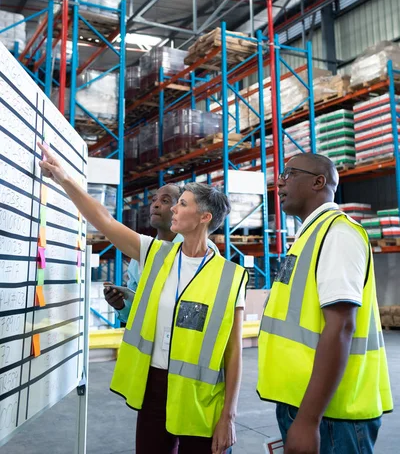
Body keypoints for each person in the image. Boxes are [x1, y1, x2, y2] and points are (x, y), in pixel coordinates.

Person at [38, 143, 247, 454]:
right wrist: (64, 177)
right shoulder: (155, 253)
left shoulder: (230, 276)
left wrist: (228, 415)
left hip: (202, 399)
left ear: (204, 217)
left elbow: (234, 353)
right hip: (155, 388)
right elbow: (104, 221)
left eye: (182, 204)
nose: (173, 208)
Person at [257, 152, 393, 454]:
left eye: (289, 174)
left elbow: (342, 326)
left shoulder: (338, 234)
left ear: (319, 182)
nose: (279, 182)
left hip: (332, 415)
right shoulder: (310, 236)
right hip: (307, 403)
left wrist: (307, 420)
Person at [105, 184, 221, 324]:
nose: (156, 205)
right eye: (154, 200)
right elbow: (134, 313)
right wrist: (121, 305)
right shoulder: (143, 252)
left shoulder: (205, 250)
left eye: (165, 201)